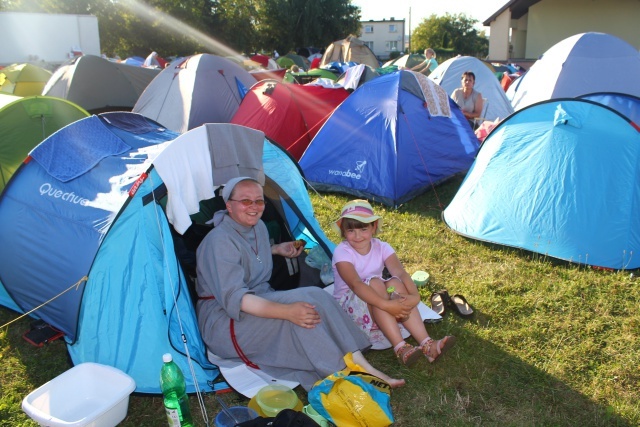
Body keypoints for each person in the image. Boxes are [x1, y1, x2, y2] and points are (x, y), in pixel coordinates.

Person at [196, 177, 406, 390]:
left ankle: (361, 362)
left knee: (316, 295)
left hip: (258, 298)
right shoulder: (218, 241)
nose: (254, 207)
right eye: (245, 201)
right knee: (302, 317)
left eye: (259, 201)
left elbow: (246, 253)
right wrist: (286, 311)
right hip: (224, 318)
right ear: (228, 205)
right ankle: (341, 376)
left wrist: (276, 249)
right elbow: (236, 298)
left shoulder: (257, 227)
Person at [331, 199, 456, 367]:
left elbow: (400, 272)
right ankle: (400, 347)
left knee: (395, 283)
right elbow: (355, 284)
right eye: (351, 230)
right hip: (350, 310)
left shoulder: (382, 247)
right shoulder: (342, 252)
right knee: (375, 283)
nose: (358, 235)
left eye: (363, 228)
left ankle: (427, 344)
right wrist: (387, 305)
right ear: (343, 232)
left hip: (375, 302)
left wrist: (414, 296)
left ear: (374, 227)